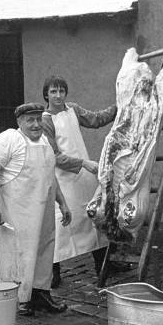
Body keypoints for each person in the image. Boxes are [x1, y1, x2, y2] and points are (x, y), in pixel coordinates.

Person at [0, 103, 72, 316]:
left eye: (39, 119)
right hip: (17, 213)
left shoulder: (46, 142)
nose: (36, 124)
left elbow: (50, 176)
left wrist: (63, 203)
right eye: (30, 120)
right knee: (20, 255)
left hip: (43, 212)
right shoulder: (8, 140)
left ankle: (40, 296)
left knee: (45, 251)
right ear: (19, 121)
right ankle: (19, 300)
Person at [40, 76, 117, 288]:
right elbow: (53, 156)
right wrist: (83, 163)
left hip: (84, 177)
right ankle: (52, 272)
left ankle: (103, 265)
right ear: (46, 95)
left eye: (61, 91)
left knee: (94, 217)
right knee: (62, 224)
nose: (58, 96)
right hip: (64, 180)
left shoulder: (72, 109)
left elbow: (96, 119)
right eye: (53, 92)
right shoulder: (45, 120)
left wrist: (119, 107)